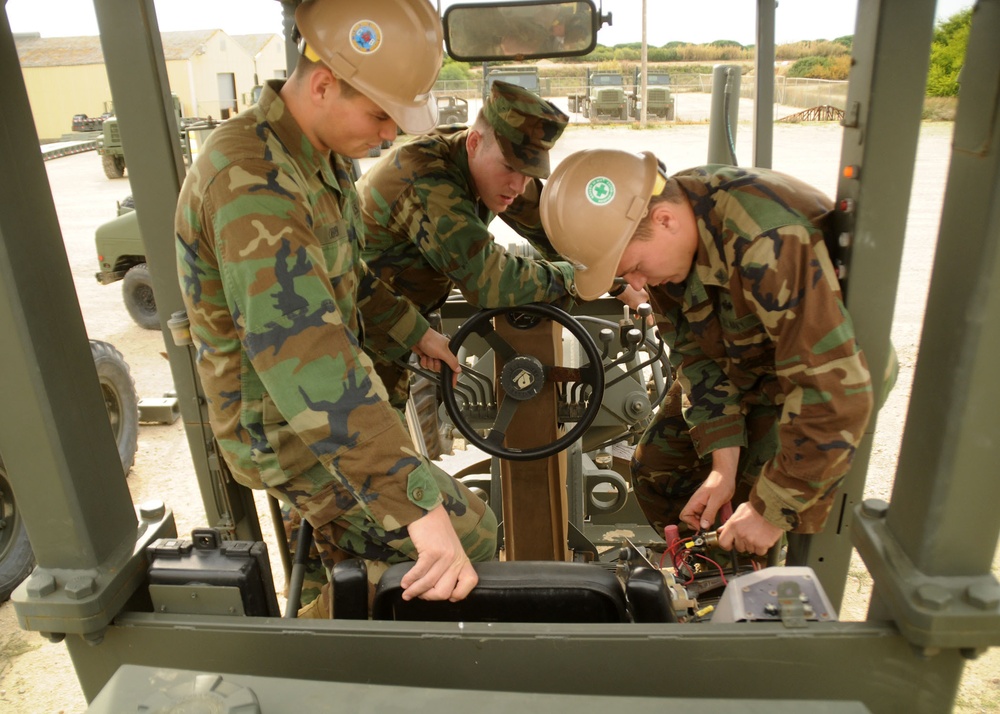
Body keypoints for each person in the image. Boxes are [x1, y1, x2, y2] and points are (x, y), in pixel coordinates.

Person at [174, 0, 497, 614]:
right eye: (379, 115)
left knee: (384, 540)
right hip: (278, 427)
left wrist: (413, 333)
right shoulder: (252, 180)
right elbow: (308, 360)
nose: (387, 135)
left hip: (311, 404)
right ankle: (312, 660)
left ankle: (337, 599)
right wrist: (418, 511)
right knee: (474, 537)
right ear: (323, 84)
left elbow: (345, 274)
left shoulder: (314, 156)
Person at [538, 149, 874, 556]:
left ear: (665, 220)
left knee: (751, 518)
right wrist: (722, 467)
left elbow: (834, 393)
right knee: (660, 470)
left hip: (808, 380)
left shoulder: (767, 243)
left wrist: (770, 511)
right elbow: (693, 357)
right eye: (625, 276)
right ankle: (698, 571)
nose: (638, 283)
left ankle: (741, 594)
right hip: (743, 363)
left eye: (636, 267)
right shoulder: (670, 238)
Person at [357, 80, 623, 410]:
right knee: (368, 444)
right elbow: (490, 283)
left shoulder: (486, 162)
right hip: (356, 330)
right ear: (473, 143)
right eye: (510, 168)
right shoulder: (428, 179)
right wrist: (572, 278)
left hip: (398, 321)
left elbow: (552, 229)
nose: (518, 184)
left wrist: (613, 275)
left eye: (528, 172)